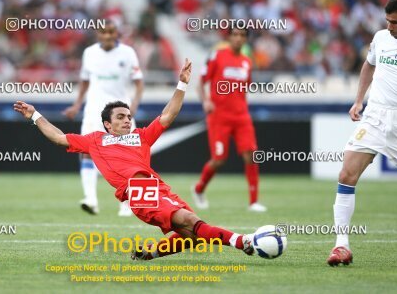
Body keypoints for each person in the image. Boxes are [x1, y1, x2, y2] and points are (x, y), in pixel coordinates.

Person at [13, 59, 255, 260]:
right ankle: (241, 241)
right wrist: (35, 115)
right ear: (107, 124)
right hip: (139, 192)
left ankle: (148, 254)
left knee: (192, 236)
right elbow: (59, 137)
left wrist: (182, 83)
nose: (127, 120)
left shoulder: (141, 136)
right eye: (120, 117)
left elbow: (168, 115)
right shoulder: (95, 140)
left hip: (159, 187)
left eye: (129, 116)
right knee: (191, 221)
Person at [327, 0, 397, 266]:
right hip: (376, 115)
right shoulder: (381, 38)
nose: (391, 26)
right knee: (347, 173)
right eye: (388, 21)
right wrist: (359, 100)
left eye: (396, 23)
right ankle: (341, 245)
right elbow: (369, 64)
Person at [63, 20, 144, 216]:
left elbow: (139, 83)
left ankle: (127, 203)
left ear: (117, 33)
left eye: (111, 32)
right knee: (86, 152)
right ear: (98, 34)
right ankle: (90, 199)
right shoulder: (89, 52)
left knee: (129, 156)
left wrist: (132, 107)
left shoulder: (128, 53)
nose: (107, 36)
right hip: (93, 110)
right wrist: (76, 104)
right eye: (103, 32)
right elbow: (84, 81)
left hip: (120, 112)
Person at [192, 28, 266, 212]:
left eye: (242, 36)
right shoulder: (217, 56)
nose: (238, 39)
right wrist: (206, 101)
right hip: (219, 116)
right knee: (218, 159)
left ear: (246, 40)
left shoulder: (247, 62)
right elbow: (200, 83)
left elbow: (245, 88)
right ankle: (199, 189)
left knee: (251, 155)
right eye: (235, 35)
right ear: (229, 37)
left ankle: (253, 201)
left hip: (242, 116)